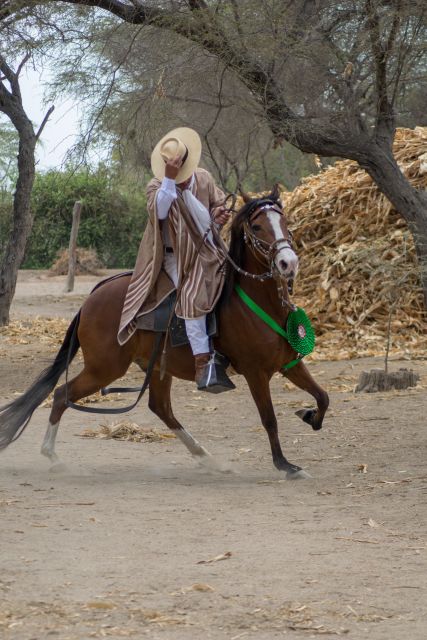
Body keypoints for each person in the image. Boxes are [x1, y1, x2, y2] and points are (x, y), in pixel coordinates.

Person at [118, 127, 235, 392]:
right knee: (193, 294)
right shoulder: (157, 187)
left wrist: (219, 215)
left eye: (182, 169)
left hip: (208, 250)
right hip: (175, 259)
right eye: (174, 170)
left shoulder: (203, 178)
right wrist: (169, 180)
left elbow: (217, 204)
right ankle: (203, 364)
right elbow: (159, 211)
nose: (182, 176)